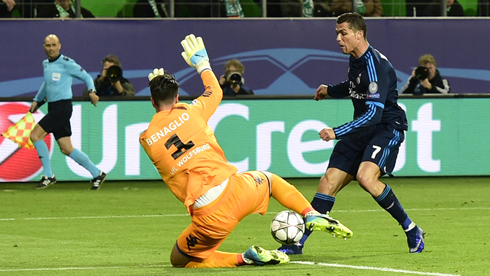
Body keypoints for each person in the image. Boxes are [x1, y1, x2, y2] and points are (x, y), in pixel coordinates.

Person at [139, 34, 353, 268]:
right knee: (271, 181)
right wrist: (202, 63)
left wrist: (161, 92)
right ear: (178, 97)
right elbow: (215, 91)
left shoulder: (147, 139)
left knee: (181, 260)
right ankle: (310, 212)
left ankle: (244, 258)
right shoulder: (192, 111)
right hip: (237, 190)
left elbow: (166, 124)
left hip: (209, 216)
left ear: (152, 102)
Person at [278, 12, 425, 255]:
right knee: (327, 183)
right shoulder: (356, 58)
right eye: (337, 33)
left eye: (343, 33)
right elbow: (355, 85)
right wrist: (330, 90)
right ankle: (297, 243)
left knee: (367, 178)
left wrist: (336, 132)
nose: (338, 38)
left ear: (359, 34)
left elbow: (373, 115)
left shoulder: (375, 65)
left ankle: (411, 229)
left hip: (385, 128)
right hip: (363, 128)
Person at [28, 34, 107, 190]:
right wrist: (37, 100)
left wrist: (92, 91)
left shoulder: (67, 63)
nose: (50, 48)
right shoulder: (46, 64)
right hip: (54, 107)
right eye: (48, 45)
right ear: (44, 47)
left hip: (62, 108)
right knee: (66, 148)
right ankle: (97, 173)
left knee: (35, 135)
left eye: (53, 45)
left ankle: (48, 175)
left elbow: (86, 77)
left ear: (60, 46)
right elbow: (47, 84)